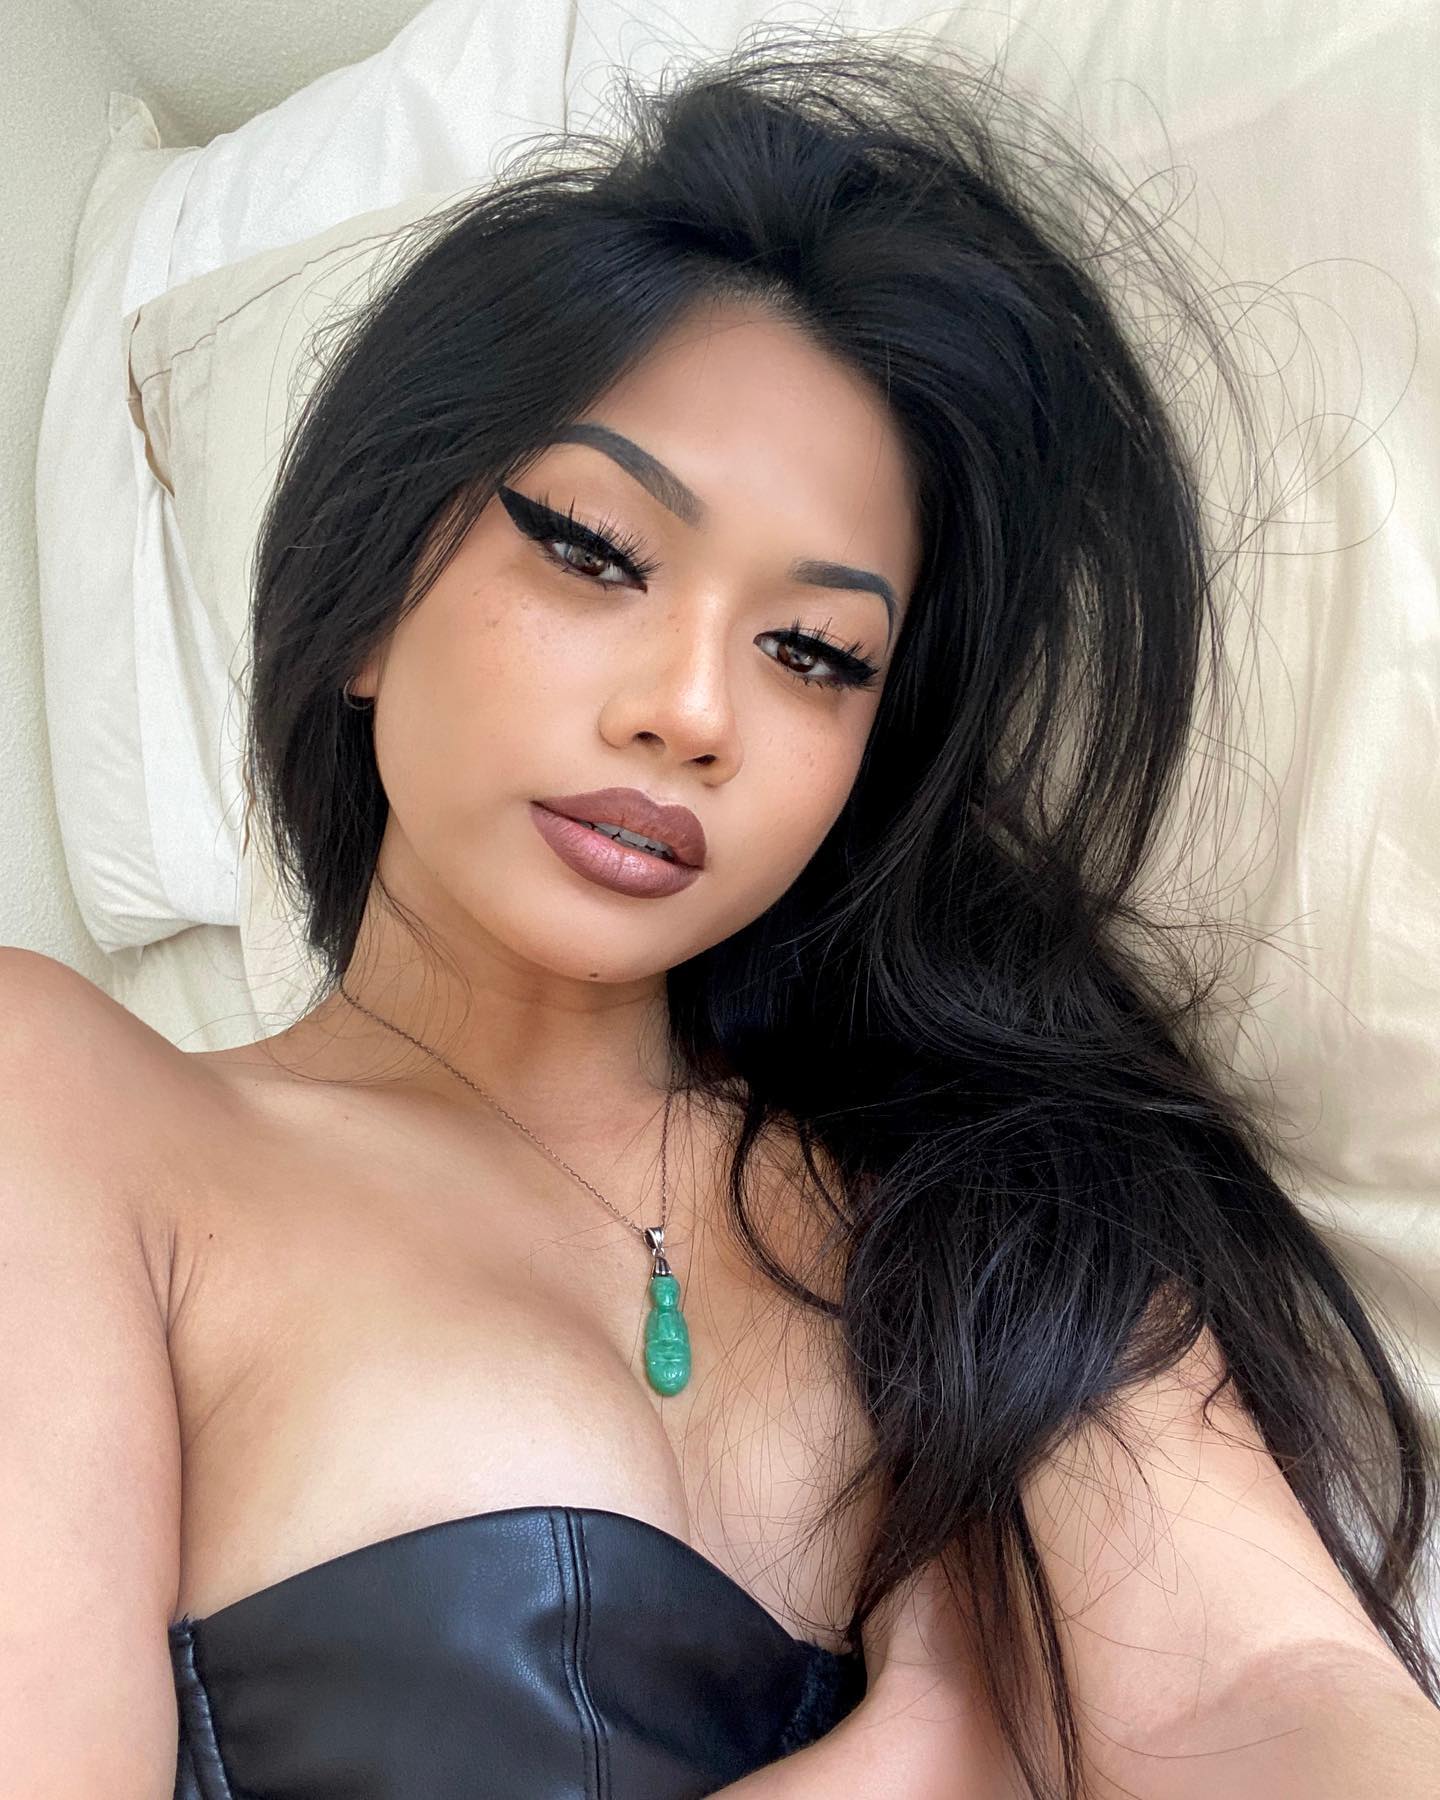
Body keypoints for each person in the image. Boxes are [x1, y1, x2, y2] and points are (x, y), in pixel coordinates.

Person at [5, 27, 1439, 1800]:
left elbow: (1273, 1687)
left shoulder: (975, 1191)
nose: (692, 712)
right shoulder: (70, 1103)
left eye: (814, 653)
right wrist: (921, 1748)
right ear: (369, 601)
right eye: (593, 552)